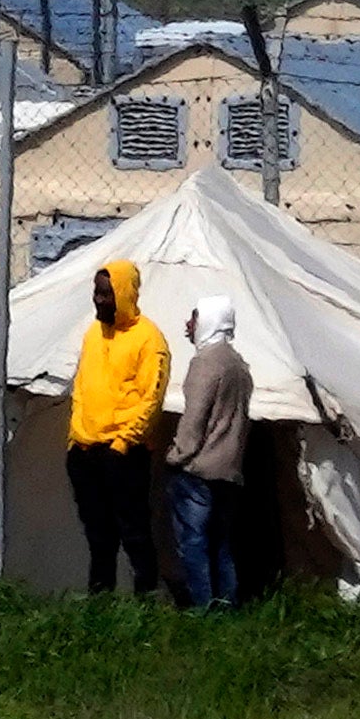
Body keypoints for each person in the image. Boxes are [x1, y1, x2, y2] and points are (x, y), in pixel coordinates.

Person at [62, 257, 172, 596]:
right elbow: (80, 388)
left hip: (124, 453)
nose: (98, 300)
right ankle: (101, 599)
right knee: (98, 534)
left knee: (134, 530)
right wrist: (74, 439)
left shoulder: (149, 339)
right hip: (85, 450)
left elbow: (150, 399)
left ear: (123, 294)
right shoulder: (93, 334)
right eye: (96, 293)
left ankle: (146, 598)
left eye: (106, 294)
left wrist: (123, 444)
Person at [164, 298, 255, 609]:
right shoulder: (239, 365)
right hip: (229, 468)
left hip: (199, 469)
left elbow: (195, 417)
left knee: (193, 542)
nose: (188, 326)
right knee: (221, 543)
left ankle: (202, 608)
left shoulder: (206, 363)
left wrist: (176, 455)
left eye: (195, 318)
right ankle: (226, 606)